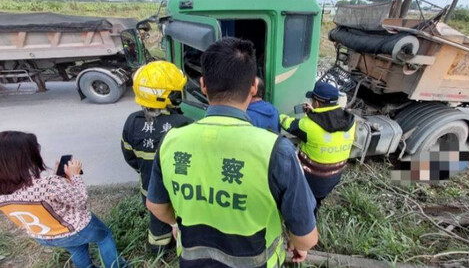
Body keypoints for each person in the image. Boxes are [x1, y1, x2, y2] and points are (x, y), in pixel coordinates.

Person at [146, 37, 318, 267]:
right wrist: (300, 246)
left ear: (203, 84)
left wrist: (176, 225)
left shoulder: (171, 140)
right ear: (254, 87)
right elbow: (306, 237)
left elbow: (156, 205)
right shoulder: (276, 150)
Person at [0, 131, 128, 268]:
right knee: (104, 237)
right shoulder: (50, 185)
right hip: (77, 229)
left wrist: (58, 177)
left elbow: (42, 196)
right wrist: (75, 176)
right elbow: (80, 200)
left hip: (45, 236)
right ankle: (117, 266)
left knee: (76, 247)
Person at [121, 61, 193, 253]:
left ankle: (158, 251)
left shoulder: (132, 122)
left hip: (149, 188)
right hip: (179, 190)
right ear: (169, 96)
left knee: (157, 219)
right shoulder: (184, 124)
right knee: (182, 220)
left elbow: (129, 156)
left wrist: (145, 170)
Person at [280, 82, 356, 214]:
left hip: (310, 180)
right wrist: (314, 113)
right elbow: (329, 121)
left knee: (304, 204)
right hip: (333, 178)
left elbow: (287, 123)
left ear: (317, 103)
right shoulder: (350, 121)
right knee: (316, 201)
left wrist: (274, 113)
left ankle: (305, 220)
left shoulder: (308, 125)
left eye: (312, 100)